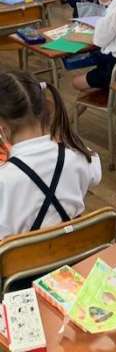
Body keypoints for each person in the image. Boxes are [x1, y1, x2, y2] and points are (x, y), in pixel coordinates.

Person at [0, 71, 101, 239]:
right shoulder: (77, 153)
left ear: (3, 129)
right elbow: (95, 176)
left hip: (26, 255)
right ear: (45, 109)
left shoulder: (4, 179)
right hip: (76, 247)